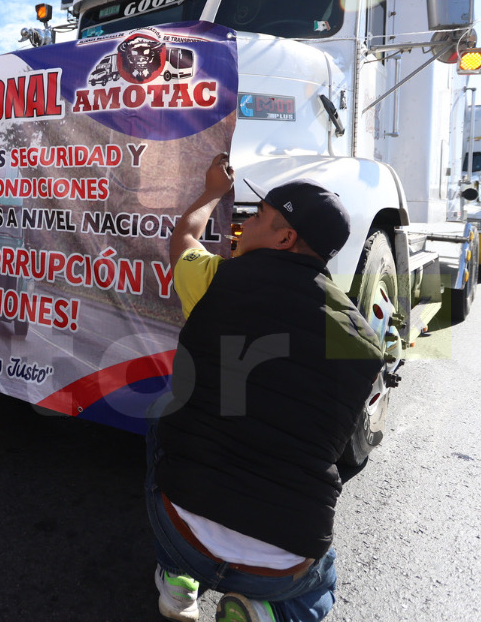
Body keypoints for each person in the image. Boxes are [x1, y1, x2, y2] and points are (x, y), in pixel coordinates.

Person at [147, 153, 384, 622]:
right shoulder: (364, 343)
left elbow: (185, 237)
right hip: (281, 564)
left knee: (164, 413)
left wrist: (214, 190)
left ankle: (177, 580)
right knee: (322, 586)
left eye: (256, 217)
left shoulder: (217, 280)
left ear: (285, 237)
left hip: (182, 527)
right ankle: (264, 613)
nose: (241, 226)